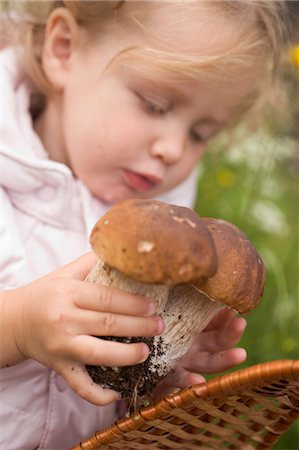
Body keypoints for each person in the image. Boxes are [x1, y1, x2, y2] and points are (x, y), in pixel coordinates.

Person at [0, 1, 289, 448]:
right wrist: (18, 325)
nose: (174, 149)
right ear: (63, 51)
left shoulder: (169, 237)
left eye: (200, 134)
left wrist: (151, 372)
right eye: (155, 105)